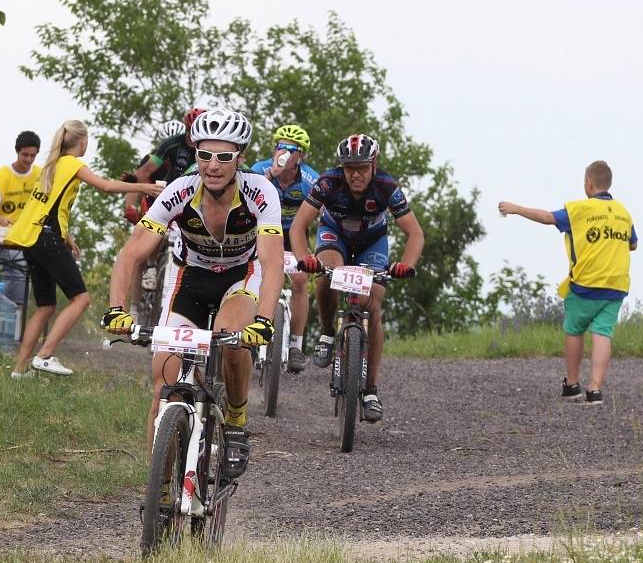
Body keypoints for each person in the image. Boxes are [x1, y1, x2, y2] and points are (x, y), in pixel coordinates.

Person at [102, 108, 284, 479]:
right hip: (192, 276)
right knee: (163, 377)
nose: (213, 166)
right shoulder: (179, 191)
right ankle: (160, 488)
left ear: (240, 158)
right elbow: (132, 253)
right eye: (204, 155)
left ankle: (234, 421)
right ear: (195, 155)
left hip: (240, 276)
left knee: (233, 341)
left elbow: (272, 261)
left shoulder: (261, 192)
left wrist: (264, 320)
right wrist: (117, 309)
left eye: (224, 157)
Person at [6, 120, 162, 377]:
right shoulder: (71, 163)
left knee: (45, 306)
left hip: (32, 238)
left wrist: (66, 236)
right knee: (82, 299)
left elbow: (50, 205)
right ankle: (44, 356)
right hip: (45, 238)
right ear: (83, 141)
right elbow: (105, 186)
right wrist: (143, 186)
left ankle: (19, 369)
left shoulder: (53, 164)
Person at [289, 133, 424, 423]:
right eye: (350, 169)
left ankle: (371, 390)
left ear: (374, 164)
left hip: (371, 244)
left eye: (362, 168)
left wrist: (406, 265)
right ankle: (327, 331)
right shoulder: (328, 182)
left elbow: (415, 233)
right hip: (334, 235)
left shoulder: (387, 186)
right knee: (327, 275)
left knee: (371, 305)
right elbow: (298, 226)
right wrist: (304, 258)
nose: (356, 175)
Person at [498, 160, 637, 405]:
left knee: (574, 329)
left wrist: (516, 208)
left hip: (586, 283)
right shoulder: (623, 213)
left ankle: (572, 385)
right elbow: (633, 244)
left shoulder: (579, 210)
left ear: (589, 183)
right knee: (603, 333)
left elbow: (548, 218)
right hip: (616, 285)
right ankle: (595, 389)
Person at [251, 124, 319, 372]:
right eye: (281, 146)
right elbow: (244, 196)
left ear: (300, 156)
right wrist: (272, 175)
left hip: (293, 233)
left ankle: (296, 345)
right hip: (262, 230)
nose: (285, 152)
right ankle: (249, 333)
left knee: (300, 280)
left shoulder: (311, 179)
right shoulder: (259, 169)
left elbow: (325, 213)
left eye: (292, 149)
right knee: (251, 277)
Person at [0, 130, 41, 305]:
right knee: (18, 272)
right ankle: (9, 309)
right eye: (25, 155)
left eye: (33, 155)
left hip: (29, 235)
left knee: (32, 275)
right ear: (17, 151)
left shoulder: (41, 174)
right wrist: (4, 221)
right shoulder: (2, 176)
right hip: (4, 237)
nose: (29, 160)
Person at [123, 108, 207, 224]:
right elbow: (140, 177)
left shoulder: (213, 146)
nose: (194, 139)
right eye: (191, 133)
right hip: (170, 196)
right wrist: (130, 207)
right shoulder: (164, 149)